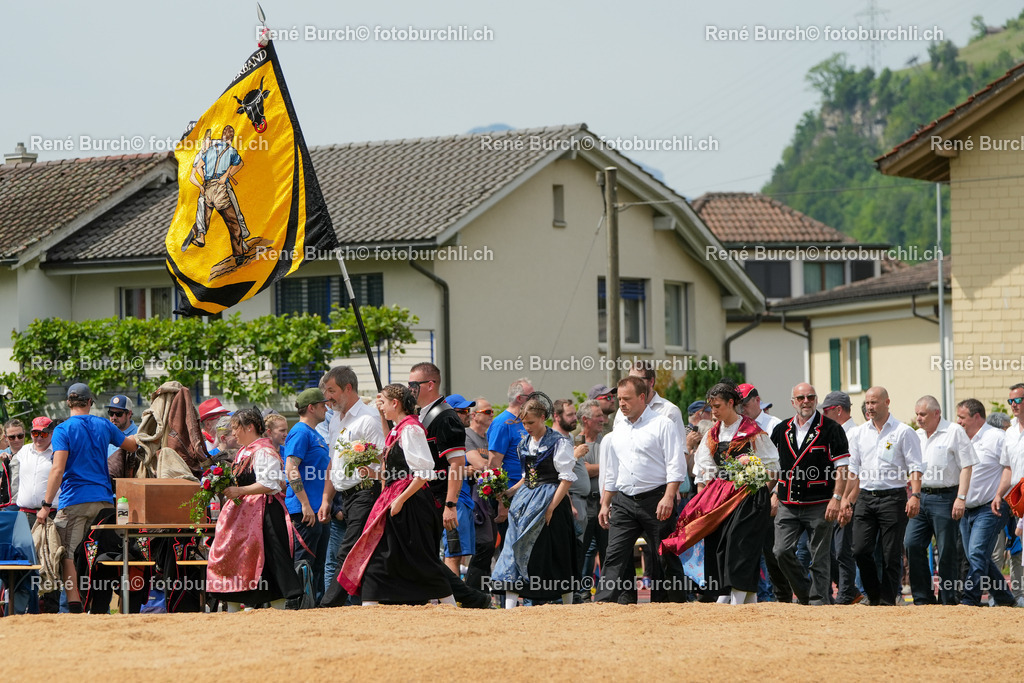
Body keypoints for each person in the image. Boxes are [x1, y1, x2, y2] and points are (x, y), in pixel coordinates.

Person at [338, 384, 456, 606]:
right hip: (396, 499)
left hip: (411, 502)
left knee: (418, 556)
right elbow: (398, 471)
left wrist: (400, 500)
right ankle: (370, 605)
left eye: (383, 402)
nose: (380, 407)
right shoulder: (399, 430)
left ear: (395, 403)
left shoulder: (411, 429)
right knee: (380, 555)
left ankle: (449, 604)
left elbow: (423, 473)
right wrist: (374, 473)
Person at [35, 383, 138, 613]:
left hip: (75, 502)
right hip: (104, 502)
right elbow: (132, 445)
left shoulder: (63, 429)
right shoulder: (104, 424)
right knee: (101, 554)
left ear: (68, 403)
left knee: (67, 553)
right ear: (90, 402)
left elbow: (58, 469)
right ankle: (99, 605)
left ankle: (74, 605)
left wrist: (46, 505)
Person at [597, 376, 688, 604]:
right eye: (619, 399)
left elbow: (676, 464)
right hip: (624, 501)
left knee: (665, 555)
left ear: (642, 397)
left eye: (626, 399)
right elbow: (613, 471)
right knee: (614, 554)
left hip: (656, 499)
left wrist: (668, 496)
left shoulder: (662, 424)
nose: (621, 403)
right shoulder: (618, 429)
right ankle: (604, 603)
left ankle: (676, 605)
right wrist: (605, 503)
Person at [690, 381, 780, 604]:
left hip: (750, 498)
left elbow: (773, 467)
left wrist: (760, 488)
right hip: (723, 498)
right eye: (712, 407)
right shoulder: (713, 434)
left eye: (718, 406)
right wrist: (709, 497)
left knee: (739, 544)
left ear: (731, 403)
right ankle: (739, 595)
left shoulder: (752, 431)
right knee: (720, 543)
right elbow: (704, 468)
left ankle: (736, 596)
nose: (714, 412)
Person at [408, 363, 489, 608]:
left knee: (430, 555)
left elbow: (456, 464)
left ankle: (469, 599)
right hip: (425, 496)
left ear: (430, 385)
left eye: (414, 385)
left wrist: (450, 504)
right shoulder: (422, 415)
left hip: (438, 497)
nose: (410, 389)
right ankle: (456, 599)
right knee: (425, 554)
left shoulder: (445, 417)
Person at [206, 408, 302, 611]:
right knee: (236, 555)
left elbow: (270, 484)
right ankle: (234, 606)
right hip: (244, 514)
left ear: (249, 427)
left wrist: (239, 490)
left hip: (265, 514)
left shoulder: (264, 451)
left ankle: (279, 610)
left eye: (236, 428)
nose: (233, 433)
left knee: (271, 558)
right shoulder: (244, 451)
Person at [492, 395, 578, 607]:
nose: (527, 427)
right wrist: (509, 492)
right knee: (514, 548)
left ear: (542, 418)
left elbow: (566, 479)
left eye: (530, 422)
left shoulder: (558, 442)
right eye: (524, 423)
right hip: (525, 502)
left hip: (552, 499)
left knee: (557, 551)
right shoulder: (524, 444)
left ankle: (568, 604)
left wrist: (551, 508)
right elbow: (527, 477)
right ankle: (510, 607)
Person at [840, 386, 923, 606]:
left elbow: (915, 466)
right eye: (867, 403)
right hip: (866, 498)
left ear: (887, 403)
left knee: (890, 554)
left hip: (893, 498)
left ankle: (887, 601)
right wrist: (846, 499)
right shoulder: (858, 433)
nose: (869, 407)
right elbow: (853, 470)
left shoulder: (903, 432)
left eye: (874, 402)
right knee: (859, 550)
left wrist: (915, 495)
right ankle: (874, 595)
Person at [770, 384, 849, 605]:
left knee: (819, 558)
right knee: (780, 551)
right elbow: (772, 466)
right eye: (801, 397)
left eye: (811, 397)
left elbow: (842, 468)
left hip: (820, 503)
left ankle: (818, 602)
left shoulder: (832, 429)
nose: (806, 401)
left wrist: (837, 498)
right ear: (793, 402)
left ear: (816, 400)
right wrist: (771, 492)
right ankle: (806, 594)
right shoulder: (781, 429)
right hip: (788, 502)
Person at [318, 366, 384, 607]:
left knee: (348, 550)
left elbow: (384, 460)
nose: (328, 397)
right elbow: (332, 463)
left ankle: (328, 604)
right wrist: (326, 499)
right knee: (361, 550)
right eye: (325, 392)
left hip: (366, 492)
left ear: (348, 388)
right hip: (345, 496)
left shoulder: (369, 418)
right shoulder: (335, 420)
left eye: (331, 390)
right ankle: (366, 601)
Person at [905, 395, 976, 606]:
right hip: (920, 496)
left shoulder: (954, 432)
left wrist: (961, 498)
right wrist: (913, 495)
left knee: (946, 550)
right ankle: (922, 598)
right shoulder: (916, 435)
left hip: (946, 497)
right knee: (911, 543)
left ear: (937, 413)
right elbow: (912, 467)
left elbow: (967, 466)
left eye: (923, 414)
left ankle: (948, 599)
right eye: (917, 414)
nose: (918, 418)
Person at [955, 398, 1018, 607]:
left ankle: (969, 599)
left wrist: (1004, 497)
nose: (958, 421)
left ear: (976, 417)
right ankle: (1005, 599)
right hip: (966, 508)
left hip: (991, 506)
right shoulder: (961, 438)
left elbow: (1010, 468)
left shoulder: (997, 437)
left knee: (976, 552)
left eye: (962, 417)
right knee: (977, 556)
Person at [736, 382, 788, 602]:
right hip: (745, 497)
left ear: (757, 401)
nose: (742, 409)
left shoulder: (774, 425)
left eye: (745, 404)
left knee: (773, 551)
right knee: (747, 550)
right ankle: (755, 596)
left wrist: (775, 494)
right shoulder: (738, 426)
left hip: (768, 494)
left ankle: (781, 596)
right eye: (738, 405)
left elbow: (783, 464)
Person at [283, 388, 331, 603]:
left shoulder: (314, 433)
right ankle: (298, 607)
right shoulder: (301, 432)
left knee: (317, 565)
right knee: (304, 564)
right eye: (322, 405)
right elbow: (291, 468)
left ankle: (313, 608)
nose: (326, 409)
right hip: (305, 511)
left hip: (316, 509)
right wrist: (304, 504)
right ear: (311, 408)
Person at [820, 390, 861, 604]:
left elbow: (854, 472)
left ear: (838, 410)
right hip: (832, 497)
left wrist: (845, 500)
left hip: (845, 498)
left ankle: (846, 593)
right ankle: (849, 590)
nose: (823, 415)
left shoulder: (853, 434)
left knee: (842, 549)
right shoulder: (833, 432)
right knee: (829, 550)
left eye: (826, 411)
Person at [552, 399, 591, 601]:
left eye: (574, 414)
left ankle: (573, 591)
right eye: (569, 415)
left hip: (581, 501)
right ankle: (564, 594)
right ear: (556, 416)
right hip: (570, 501)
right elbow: (557, 472)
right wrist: (569, 503)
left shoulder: (569, 438)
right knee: (568, 550)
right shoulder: (554, 439)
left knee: (579, 550)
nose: (574, 418)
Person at [993, 383, 1024, 603]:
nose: (1014, 405)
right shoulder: (1010, 432)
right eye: (1011, 401)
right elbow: (1008, 468)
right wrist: (998, 495)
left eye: (1018, 400)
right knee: (1018, 548)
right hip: (1017, 500)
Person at [440, 392, 477, 576]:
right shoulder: (446, 434)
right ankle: (452, 593)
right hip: (455, 502)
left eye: (468, 411)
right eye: (462, 411)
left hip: (463, 501)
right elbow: (441, 469)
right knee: (453, 555)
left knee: (458, 554)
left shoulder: (459, 435)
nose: (467, 414)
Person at [464, 397, 496, 591]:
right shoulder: (467, 436)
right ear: (474, 416)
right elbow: (481, 464)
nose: (492, 415)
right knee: (484, 544)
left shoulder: (489, 438)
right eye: (488, 412)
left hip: (488, 498)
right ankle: (472, 592)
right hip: (474, 499)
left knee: (489, 546)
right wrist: (492, 467)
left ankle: (481, 593)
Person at [578, 399, 608, 600]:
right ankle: (582, 591)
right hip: (585, 503)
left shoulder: (605, 441)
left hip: (604, 502)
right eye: (598, 416)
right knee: (584, 549)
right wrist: (605, 466)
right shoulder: (576, 442)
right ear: (585, 419)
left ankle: (606, 592)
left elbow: (590, 469)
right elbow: (583, 471)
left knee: (607, 549)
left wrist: (594, 468)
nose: (602, 420)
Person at [13, 417, 58, 521]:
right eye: (35, 433)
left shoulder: (58, 452)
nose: (39, 437)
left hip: (50, 513)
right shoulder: (24, 451)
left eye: (44, 434)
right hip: (24, 514)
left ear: (52, 434)